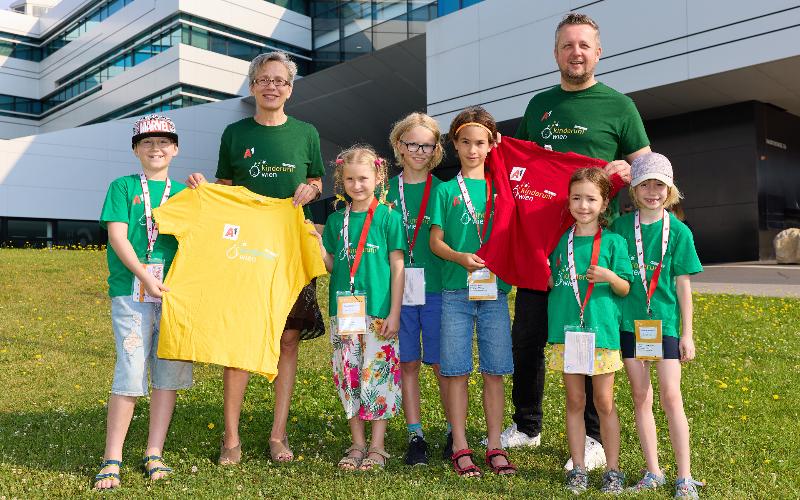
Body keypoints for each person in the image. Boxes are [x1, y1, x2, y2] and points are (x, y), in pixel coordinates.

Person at [507, 12, 651, 471]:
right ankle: (528, 424)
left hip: (591, 242)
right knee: (527, 335)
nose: (576, 53)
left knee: (587, 333)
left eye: (584, 45)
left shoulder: (619, 106)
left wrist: (630, 173)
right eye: (568, 45)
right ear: (556, 54)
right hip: (539, 244)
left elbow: (647, 165)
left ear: (598, 52)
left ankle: (591, 436)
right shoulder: (538, 105)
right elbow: (522, 165)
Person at [186, 51, 325, 465]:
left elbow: (316, 177)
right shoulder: (234, 133)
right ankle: (231, 439)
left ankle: (277, 436)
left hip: (289, 248)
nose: (272, 86)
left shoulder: (306, 133)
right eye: (264, 79)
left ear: (290, 89)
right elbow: (224, 188)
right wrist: (201, 188)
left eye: (280, 81)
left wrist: (313, 190)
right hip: (243, 252)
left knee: (287, 340)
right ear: (252, 86)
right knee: (239, 340)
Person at [94, 115, 193, 489]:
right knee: (131, 368)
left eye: (164, 142)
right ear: (136, 149)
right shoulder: (122, 187)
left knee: (166, 374)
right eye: (148, 142)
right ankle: (112, 459)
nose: (156, 148)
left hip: (173, 294)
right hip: (131, 290)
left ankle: (155, 452)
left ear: (176, 149)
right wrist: (143, 275)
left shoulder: (185, 192)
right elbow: (118, 237)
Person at [609, 153, 704, 498]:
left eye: (659, 185)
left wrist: (687, 334)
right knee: (640, 396)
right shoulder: (619, 228)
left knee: (671, 395)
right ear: (634, 189)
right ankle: (653, 471)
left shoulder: (678, 232)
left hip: (663, 325)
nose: (652, 191)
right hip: (629, 324)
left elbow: (683, 287)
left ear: (669, 189)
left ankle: (684, 475)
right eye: (645, 183)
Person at [429, 106, 516, 477]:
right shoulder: (445, 190)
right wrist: (460, 257)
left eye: (480, 142)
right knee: (456, 371)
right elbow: (435, 242)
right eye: (465, 142)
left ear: (492, 145)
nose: (473, 149)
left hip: (495, 295)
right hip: (454, 293)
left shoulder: (505, 190)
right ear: (455, 144)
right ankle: (461, 444)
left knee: (494, 371)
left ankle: (494, 444)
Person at [312, 145, 405, 470]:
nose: (357, 185)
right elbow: (331, 265)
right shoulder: (337, 220)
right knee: (349, 374)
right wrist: (317, 243)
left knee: (378, 376)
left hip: (379, 312)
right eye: (350, 179)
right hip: (345, 311)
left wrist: (395, 312)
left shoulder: (389, 218)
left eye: (363, 178)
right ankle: (357, 444)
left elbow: (397, 267)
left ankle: (378, 447)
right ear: (342, 180)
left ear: (378, 177)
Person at [547, 167, 632, 494]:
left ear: (604, 202)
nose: (583, 205)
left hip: (602, 336)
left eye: (591, 199)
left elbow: (625, 288)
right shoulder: (561, 242)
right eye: (577, 198)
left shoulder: (613, 242)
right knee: (574, 400)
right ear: (568, 202)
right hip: (568, 336)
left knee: (604, 401)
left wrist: (610, 276)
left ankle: (613, 469)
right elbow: (553, 279)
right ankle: (578, 468)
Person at [385, 112, 448, 466]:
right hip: (398, 293)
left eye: (427, 145)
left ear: (436, 149)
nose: (420, 151)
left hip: (437, 288)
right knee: (407, 362)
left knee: (441, 363)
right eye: (413, 144)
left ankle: (455, 431)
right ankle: (416, 434)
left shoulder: (445, 190)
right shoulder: (383, 192)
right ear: (399, 146)